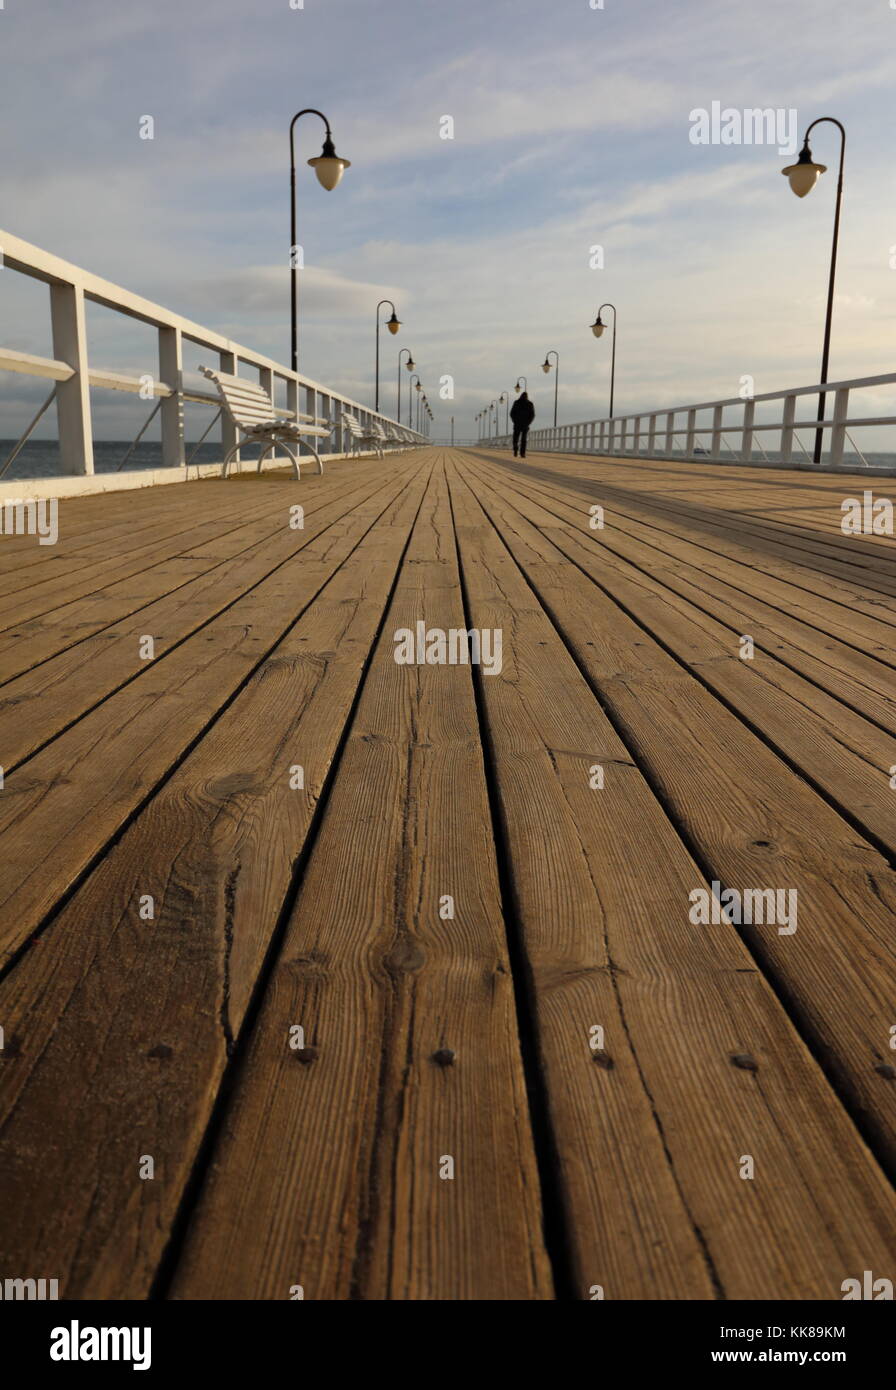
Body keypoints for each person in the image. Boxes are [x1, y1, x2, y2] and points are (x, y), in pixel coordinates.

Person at [509, 391, 535, 458]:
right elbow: (532, 415)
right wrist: (528, 422)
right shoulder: (530, 404)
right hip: (525, 425)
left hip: (517, 424)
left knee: (515, 438)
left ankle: (515, 449)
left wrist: (515, 421)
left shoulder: (516, 403)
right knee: (524, 439)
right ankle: (522, 453)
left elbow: (511, 413)